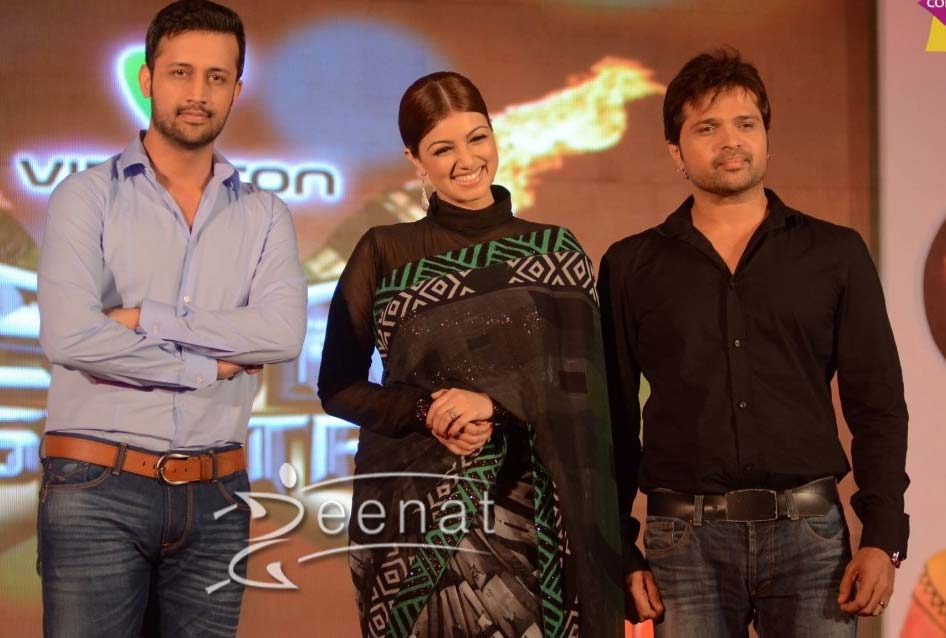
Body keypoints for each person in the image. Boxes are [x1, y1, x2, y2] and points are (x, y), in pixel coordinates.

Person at [598, 49, 909, 637]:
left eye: (746, 123)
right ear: (676, 152)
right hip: (682, 544)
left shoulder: (835, 254)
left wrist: (883, 534)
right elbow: (611, 420)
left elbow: (878, 406)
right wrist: (620, 547)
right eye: (707, 128)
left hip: (811, 538)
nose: (731, 141)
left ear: (766, 137)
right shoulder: (631, 265)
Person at [318, 71, 624, 638]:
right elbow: (337, 386)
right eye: (442, 148)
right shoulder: (384, 252)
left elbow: (591, 392)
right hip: (415, 521)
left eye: (477, 138)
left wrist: (495, 406)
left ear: (494, 136)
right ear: (415, 160)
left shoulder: (556, 253)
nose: (467, 160)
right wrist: (426, 411)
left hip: (539, 524)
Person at [36, 1, 307, 636]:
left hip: (218, 491)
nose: (198, 93)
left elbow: (281, 333)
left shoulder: (265, 213)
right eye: (181, 72)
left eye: (217, 77)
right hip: (95, 485)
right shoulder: (86, 196)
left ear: (236, 90)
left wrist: (144, 318)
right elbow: (71, 337)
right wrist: (207, 367)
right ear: (148, 79)